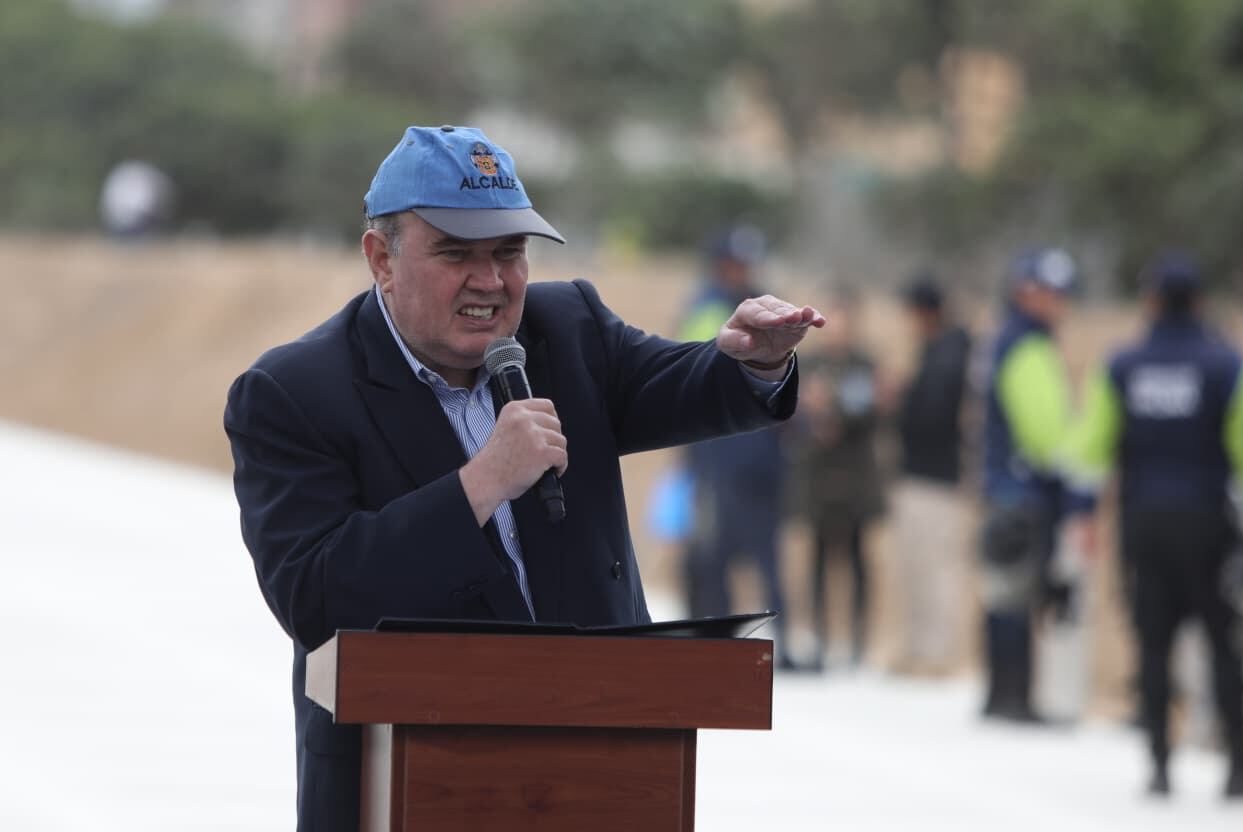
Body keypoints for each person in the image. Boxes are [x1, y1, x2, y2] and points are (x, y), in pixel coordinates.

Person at [223, 125, 825, 831]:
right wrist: (481, 484)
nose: (492, 281)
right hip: (407, 790)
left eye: (509, 252)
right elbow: (315, 596)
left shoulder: (567, 328)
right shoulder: (294, 392)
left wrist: (754, 362)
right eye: (456, 253)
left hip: (602, 777)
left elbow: (678, 379)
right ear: (380, 258)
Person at [1065, 252, 1243, 797]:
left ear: (1151, 301)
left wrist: (1082, 515)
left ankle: (1160, 765)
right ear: (1198, 301)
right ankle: (1238, 767)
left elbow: (1091, 449)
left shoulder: (1123, 364)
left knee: (1153, 642)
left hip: (1144, 524)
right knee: (1222, 642)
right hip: (1208, 523)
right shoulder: (1226, 365)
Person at [677, 226, 792, 665]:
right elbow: (697, 375)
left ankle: (779, 643)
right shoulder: (707, 310)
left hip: (762, 458)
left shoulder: (763, 304)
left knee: (768, 554)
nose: (741, 273)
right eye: (734, 264)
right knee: (716, 552)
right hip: (719, 456)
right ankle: (718, 641)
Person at [978, 248, 1078, 722]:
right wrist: (1071, 467)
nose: (1057, 302)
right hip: (1023, 488)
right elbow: (1044, 432)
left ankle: (1001, 694)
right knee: (1015, 592)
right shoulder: (1027, 345)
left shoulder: (1008, 338)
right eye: (1049, 291)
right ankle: (1013, 698)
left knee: (1004, 591)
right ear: (1025, 291)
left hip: (1004, 484)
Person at [791, 290, 885, 670]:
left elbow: (866, 412)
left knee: (859, 560)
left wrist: (832, 409)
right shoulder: (808, 364)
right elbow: (791, 411)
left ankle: (859, 641)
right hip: (817, 477)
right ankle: (818, 636)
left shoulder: (863, 364)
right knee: (815, 560)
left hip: (854, 477)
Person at [891, 275, 972, 675]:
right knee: (915, 567)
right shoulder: (938, 351)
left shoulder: (949, 355)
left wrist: (901, 402)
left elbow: (935, 416)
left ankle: (937, 654)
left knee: (936, 569)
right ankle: (920, 649)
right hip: (921, 471)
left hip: (936, 475)